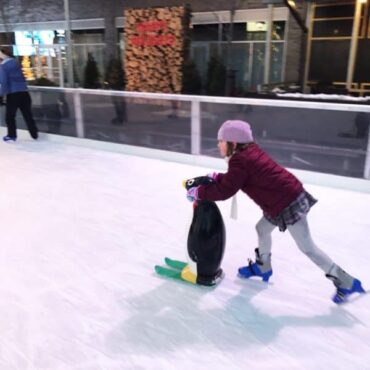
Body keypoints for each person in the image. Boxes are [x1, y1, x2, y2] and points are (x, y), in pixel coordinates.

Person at [186, 120, 365, 304]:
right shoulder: (247, 153)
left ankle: (345, 281)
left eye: (221, 140)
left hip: (288, 202)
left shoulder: (241, 160)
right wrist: (218, 177)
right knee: (262, 229)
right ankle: (263, 267)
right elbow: (236, 179)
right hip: (280, 199)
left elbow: (226, 191)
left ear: (233, 142)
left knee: (307, 247)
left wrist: (199, 192)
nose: (218, 144)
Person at [0, 46, 39, 142]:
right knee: (27, 114)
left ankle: (11, 135)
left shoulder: (3, 66)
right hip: (24, 93)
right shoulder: (16, 63)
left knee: (10, 116)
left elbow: (4, 82)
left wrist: (1, 95)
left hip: (13, 94)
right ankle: (34, 133)